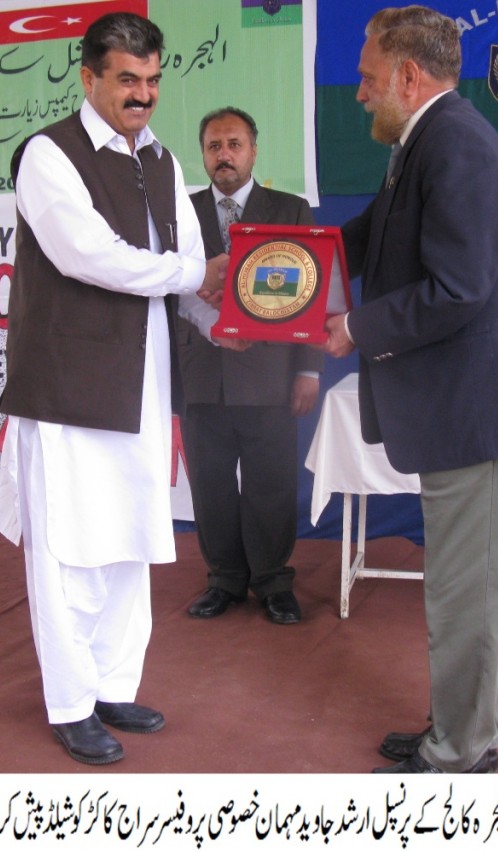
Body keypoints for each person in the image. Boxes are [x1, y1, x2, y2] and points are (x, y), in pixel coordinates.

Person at [324, 6, 498, 773]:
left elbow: (457, 288)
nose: (358, 92)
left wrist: (354, 328)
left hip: (482, 415)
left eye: (366, 78)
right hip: (471, 408)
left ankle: (462, 751)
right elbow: (367, 234)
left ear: (407, 75)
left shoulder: (453, 143)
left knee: (468, 596)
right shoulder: (423, 138)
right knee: (463, 591)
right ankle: (455, 727)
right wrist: (282, 262)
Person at [0, 12, 226, 765]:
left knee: (129, 535)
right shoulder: (45, 155)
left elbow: (187, 269)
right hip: (66, 382)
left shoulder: (161, 162)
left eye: (153, 81)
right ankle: (69, 702)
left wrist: (233, 312)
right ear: (88, 75)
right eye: (127, 79)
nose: (142, 96)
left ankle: (112, 684)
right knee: (67, 547)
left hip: (139, 381)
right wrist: (195, 279)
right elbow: (90, 255)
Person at [177, 107, 324, 625]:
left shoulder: (290, 209)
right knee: (211, 485)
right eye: (214, 146)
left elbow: (311, 295)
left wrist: (308, 370)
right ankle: (224, 580)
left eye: (234, 144)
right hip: (202, 376)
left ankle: (272, 581)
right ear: (204, 154)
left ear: (253, 151)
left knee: (271, 482)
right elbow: (168, 292)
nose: (224, 155)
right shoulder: (182, 213)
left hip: (270, 374)